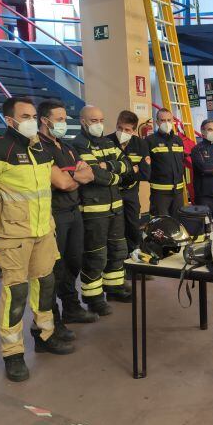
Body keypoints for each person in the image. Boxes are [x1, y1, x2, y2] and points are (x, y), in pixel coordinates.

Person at [0, 97, 75, 382]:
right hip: (13, 236)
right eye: (25, 115)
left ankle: (44, 335)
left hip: (43, 231)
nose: (30, 120)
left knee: (45, 285)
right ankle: (13, 353)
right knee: (15, 293)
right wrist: (1, 226)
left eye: (32, 114)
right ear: (10, 120)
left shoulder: (41, 150)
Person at [38, 100, 98, 338]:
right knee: (55, 268)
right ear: (45, 120)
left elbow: (89, 173)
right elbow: (63, 183)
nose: (64, 123)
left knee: (74, 262)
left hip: (74, 212)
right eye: (60, 119)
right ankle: (53, 320)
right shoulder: (40, 149)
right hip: (55, 215)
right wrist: (76, 175)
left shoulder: (66, 147)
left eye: (64, 119)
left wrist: (72, 175)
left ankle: (71, 308)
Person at [73, 105, 133, 316]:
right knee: (96, 255)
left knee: (118, 250)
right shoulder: (78, 144)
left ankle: (114, 288)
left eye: (101, 120)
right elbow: (93, 175)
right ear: (83, 121)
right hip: (93, 209)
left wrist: (108, 168)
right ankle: (94, 298)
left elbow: (127, 165)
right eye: (93, 121)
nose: (98, 125)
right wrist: (114, 174)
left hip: (115, 207)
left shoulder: (108, 141)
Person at [107, 110, 151, 253]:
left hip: (131, 193)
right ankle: (116, 257)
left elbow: (145, 173)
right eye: (119, 128)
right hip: (111, 193)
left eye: (127, 129)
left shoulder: (141, 144)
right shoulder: (107, 142)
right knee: (114, 226)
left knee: (133, 225)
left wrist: (122, 171)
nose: (122, 132)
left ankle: (134, 254)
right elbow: (104, 172)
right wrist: (133, 170)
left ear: (133, 131)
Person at [145, 108, 185, 218]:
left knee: (177, 223)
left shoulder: (178, 140)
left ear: (173, 121)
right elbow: (146, 166)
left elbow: (181, 162)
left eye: (169, 120)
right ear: (157, 122)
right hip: (159, 193)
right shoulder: (150, 141)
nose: (166, 123)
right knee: (161, 223)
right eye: (163, 120)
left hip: (178, 192)